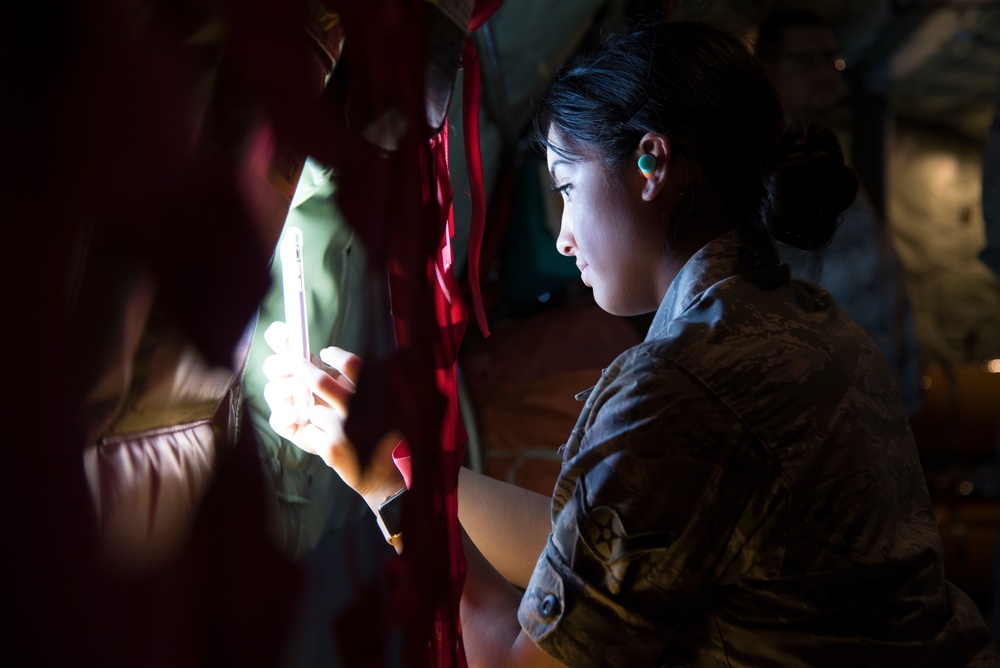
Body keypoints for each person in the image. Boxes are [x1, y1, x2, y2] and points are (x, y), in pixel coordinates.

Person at [262, 19, 999, 666]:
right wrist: (402, 451)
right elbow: (580, 542)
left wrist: (389, 494)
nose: (562, 235)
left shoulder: (679, 389)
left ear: (652, 163)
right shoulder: (810, 325)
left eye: (567, 187)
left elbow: (516, 664)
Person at [755, 8, 925, 416]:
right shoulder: (769, 166)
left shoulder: (820, 156)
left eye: (833, 59)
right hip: (825, 398)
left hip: (862, 392)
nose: (826, 73)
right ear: (767, 70)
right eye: (805, 61)